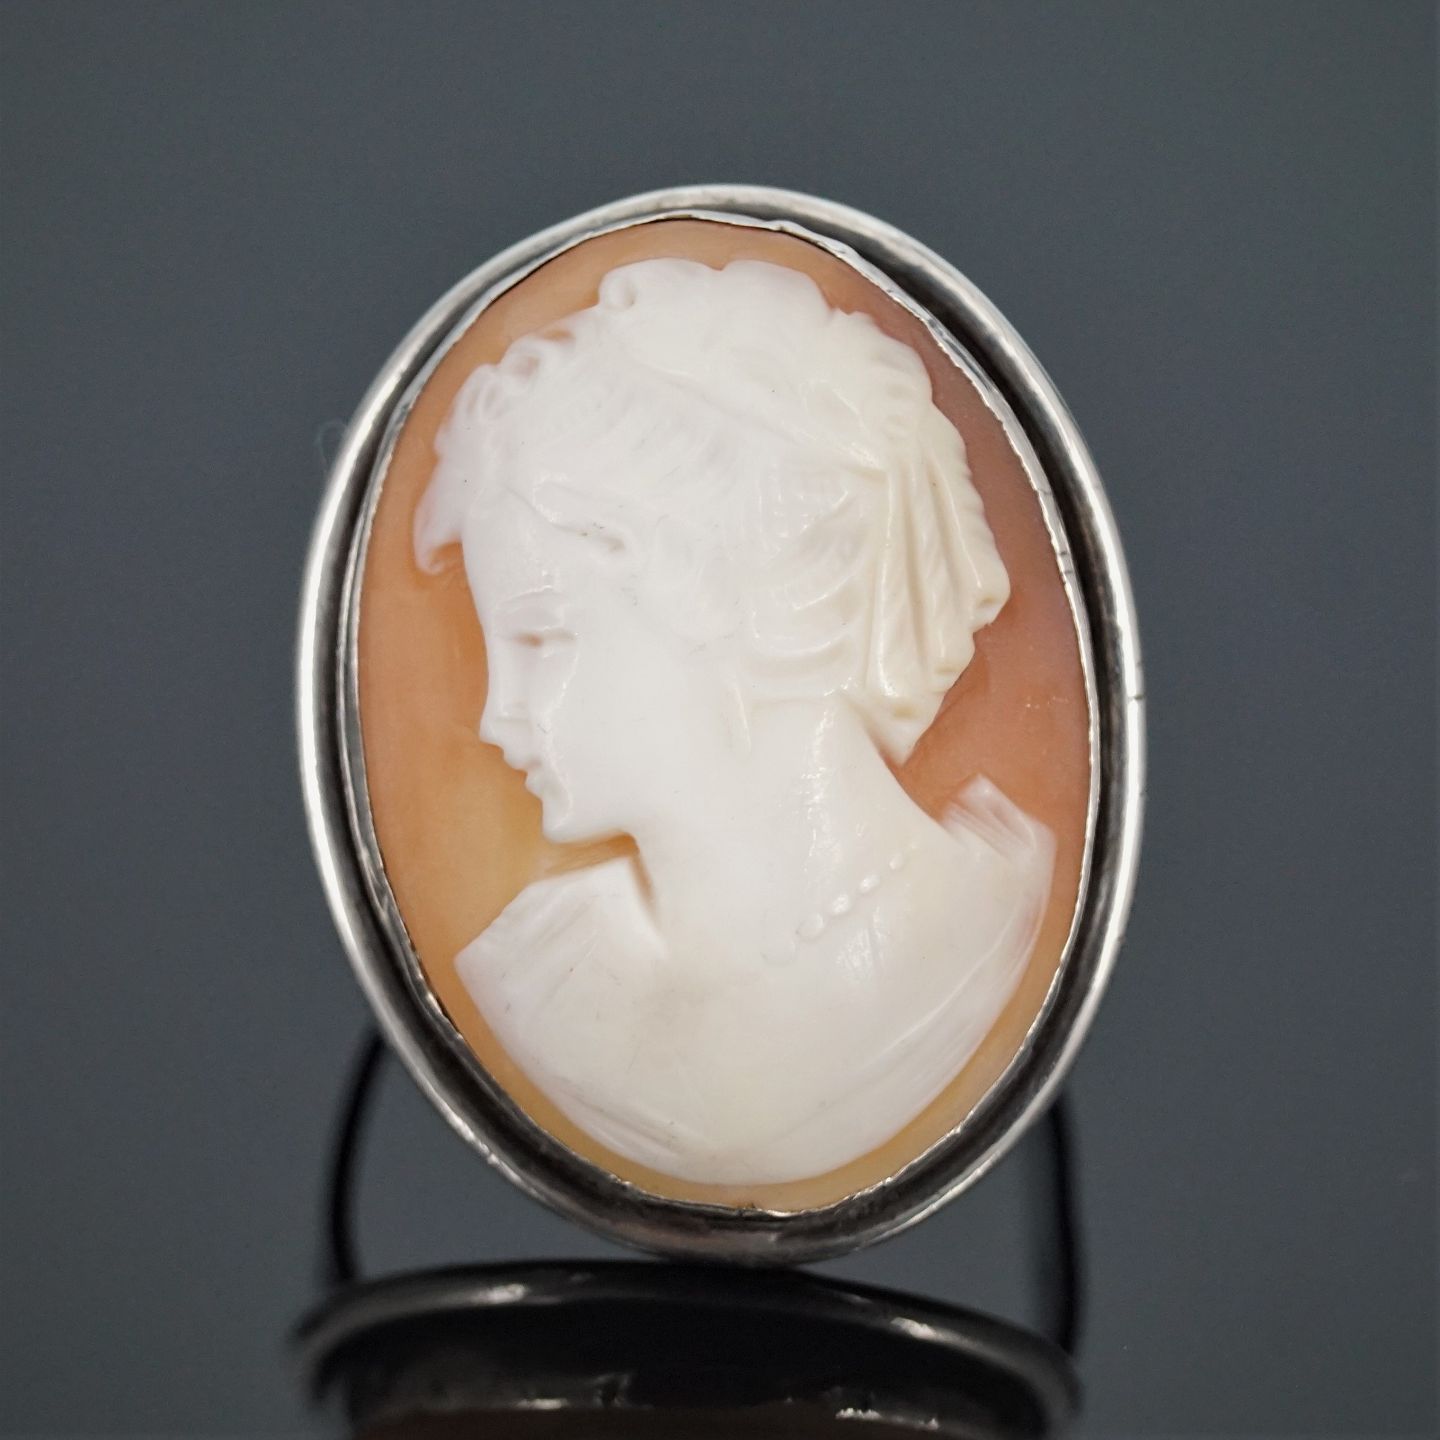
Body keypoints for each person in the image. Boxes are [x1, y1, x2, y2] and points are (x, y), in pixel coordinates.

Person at [414, 257, 1054, 1186]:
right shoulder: (536, 974)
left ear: (744, 600)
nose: (495, 713)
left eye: (543, 638)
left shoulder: (982, 930)